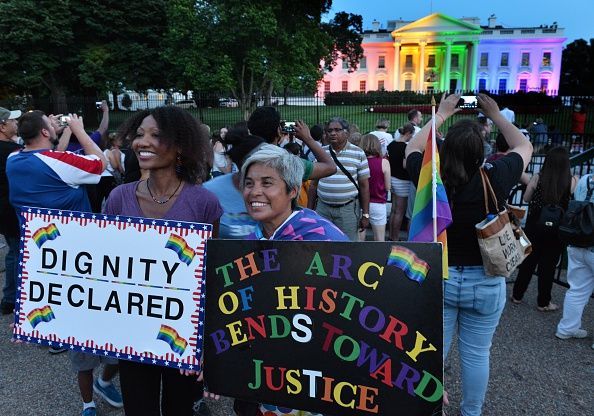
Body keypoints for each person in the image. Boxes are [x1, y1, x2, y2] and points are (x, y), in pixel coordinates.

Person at [405, 93, 533, 416]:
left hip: (442, 279)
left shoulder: (429, 179)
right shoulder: (496, 176)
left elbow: (412, 148)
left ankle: (430, 406)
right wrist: (498, 116)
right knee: (477, 355)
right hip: (485, 280)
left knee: (434, 353)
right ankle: (471, 412)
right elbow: (525, 148)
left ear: (445, 149)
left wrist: (443, 113)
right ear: (482, 154)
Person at [103, 106, 222, 416]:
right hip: (132, 331)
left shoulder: (204, 203)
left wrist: (207, 343)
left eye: (156, 135)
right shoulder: (118, 198)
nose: (143, 142)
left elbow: (210, 273)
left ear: (181, 145)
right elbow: (104, 266)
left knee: (180, 410)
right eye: (140, 134)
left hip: (183, 333)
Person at [6, 110, 120, 416]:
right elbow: (101, 164)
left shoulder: (14, 160)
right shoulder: (58, 163)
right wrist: (80, 130)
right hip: (81, 251)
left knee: (76, 327)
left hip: (46, 255)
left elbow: (50, 161)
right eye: (51, 124)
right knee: (104, 320)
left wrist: (62, 132)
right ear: (44, 133)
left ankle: (88, 401)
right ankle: (105, 379)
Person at [511, 147, 578, 311]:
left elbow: (526, 198)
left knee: (528, 261)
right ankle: (543, 302)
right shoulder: (572, 180)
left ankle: (517, 295)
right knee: (548, 266)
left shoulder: (537, 178)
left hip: (535, 226)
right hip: (557, 230)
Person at [242, 144, 348, 242]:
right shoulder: (248, 242)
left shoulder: (325, 239)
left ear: (293, 191)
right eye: (249, 183)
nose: (254, 192)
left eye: (267, 183)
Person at [307, 117, 370, 241]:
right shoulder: (321, 153)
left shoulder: (358, 153)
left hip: (347, 211)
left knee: (347, 246)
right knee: (321, 244)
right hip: (323, 209)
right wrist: (309, 212)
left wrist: (366, 214)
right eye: (329, 131)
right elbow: (313, 185)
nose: (332, 133)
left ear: (347, 132)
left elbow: (364, 186)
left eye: (337, 130)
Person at [555, 173, 594, 347]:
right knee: (577, 290)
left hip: (578, 241)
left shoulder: (586, 179)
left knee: (577, 290)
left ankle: (566, 329)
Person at [0, 106, 21, 315]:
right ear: (2, 126)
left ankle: (8, 297)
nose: (16, 123)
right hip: (11, 209)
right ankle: (14, 298)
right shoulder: (11, 153)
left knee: (12, 252)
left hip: (4, 210)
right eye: (12, 120)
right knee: (17, 253)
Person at [358, 134, 390, 241]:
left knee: (359, 239)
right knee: (379, 240)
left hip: (360, 203)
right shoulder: (384, 162)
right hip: (378, 202)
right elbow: (388, 186)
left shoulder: (359, 161)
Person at [387, 123, 414, 241]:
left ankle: (391, 236)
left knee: (394, 210)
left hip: (392, 179)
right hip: (402, 182)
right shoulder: (406, 147)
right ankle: (395, 238)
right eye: (412, 135)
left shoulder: (391, 145)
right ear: (408, 133)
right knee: (399, 212)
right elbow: (405, 165)